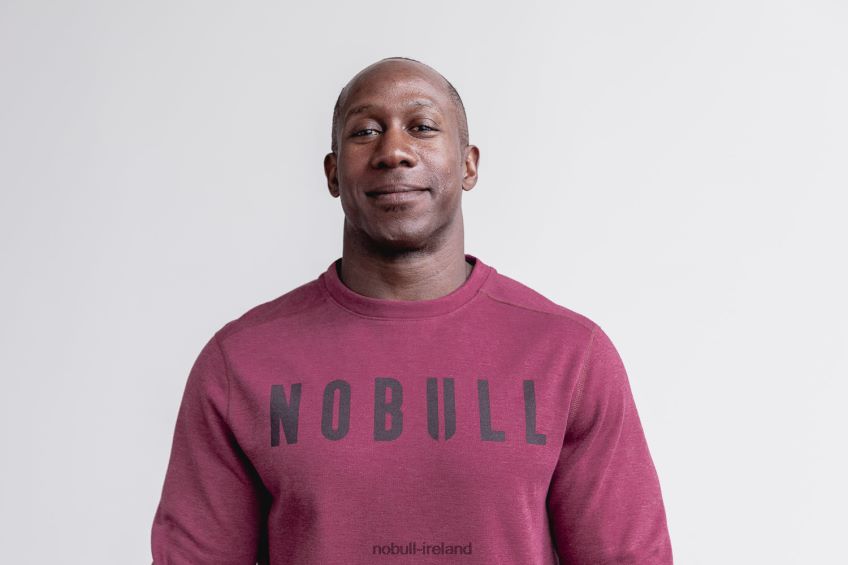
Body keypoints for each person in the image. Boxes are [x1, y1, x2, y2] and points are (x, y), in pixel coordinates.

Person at [150, 56, 674, 564]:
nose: (394, 151)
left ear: (468, 164)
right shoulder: (241, 361)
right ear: (333, 174)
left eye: (422, 127)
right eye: (365, 132)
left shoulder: (569, 355)